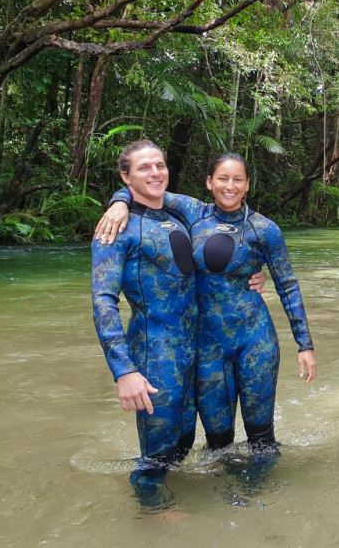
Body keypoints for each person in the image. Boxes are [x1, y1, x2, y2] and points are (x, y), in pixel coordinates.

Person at [98, 152, 316, 456]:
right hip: (206, 347)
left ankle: (263, 497)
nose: (230, 186)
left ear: (248, 185)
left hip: (256, 340)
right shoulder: (191, 212)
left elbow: (288, 285)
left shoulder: (264, 229)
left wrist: (304, 344)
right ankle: (222, 498)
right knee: (218, 443)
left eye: (238, 179)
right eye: (223, 178)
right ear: (209, 182)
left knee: (262, 439)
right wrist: (118, 202)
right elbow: (145, 187)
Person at [91, 140, 265, 507]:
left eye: (160, 165)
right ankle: (155, 515)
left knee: (183, 443)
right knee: (155, 456)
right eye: (143, 168)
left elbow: (230, 220)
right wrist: (124, 371)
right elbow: (103, 301)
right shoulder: (115, 230)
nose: (155, 173)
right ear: (125, 176)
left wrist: (252, 272)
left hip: (193, 351)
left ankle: (186, 504)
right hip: (154, 355)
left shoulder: (182, 213)